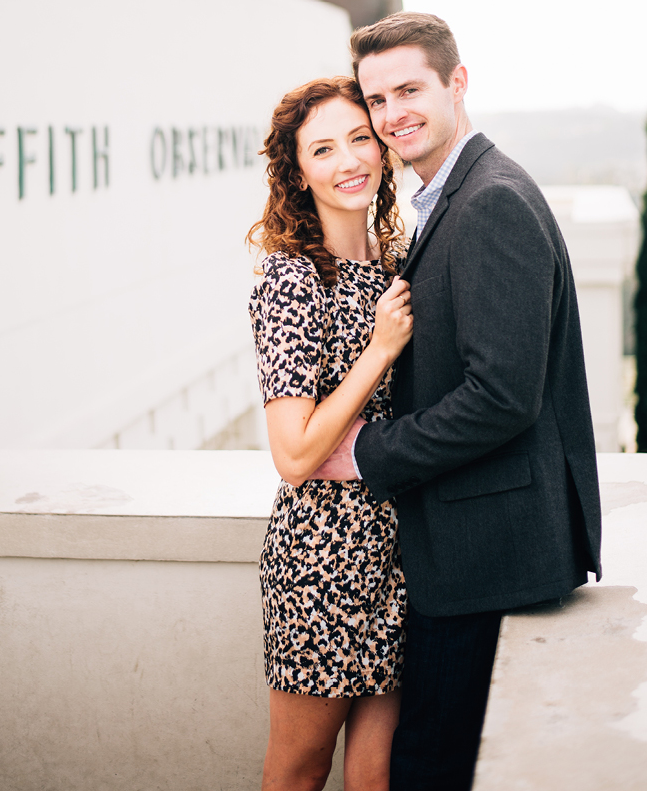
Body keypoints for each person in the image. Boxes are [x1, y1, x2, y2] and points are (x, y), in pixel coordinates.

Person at [323, 12, 603, 790]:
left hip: (488, 558)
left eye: (409, 89)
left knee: (428, 770)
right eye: (377, 100)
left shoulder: (489, 203)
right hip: (471, 550)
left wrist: (368, 456)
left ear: (458, 83)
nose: (391, 115)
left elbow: (501, 397)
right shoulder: (454, 194)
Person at [247, 76, 414, 791]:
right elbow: (293, 453)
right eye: (323, 149)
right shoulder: (291, 279)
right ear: (300, 171)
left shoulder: (398, 258)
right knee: (300, 768)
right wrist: (379, 349)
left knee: (378, 772)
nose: (348, 160)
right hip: (321, 559)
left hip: (402, 551)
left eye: (358, 138)